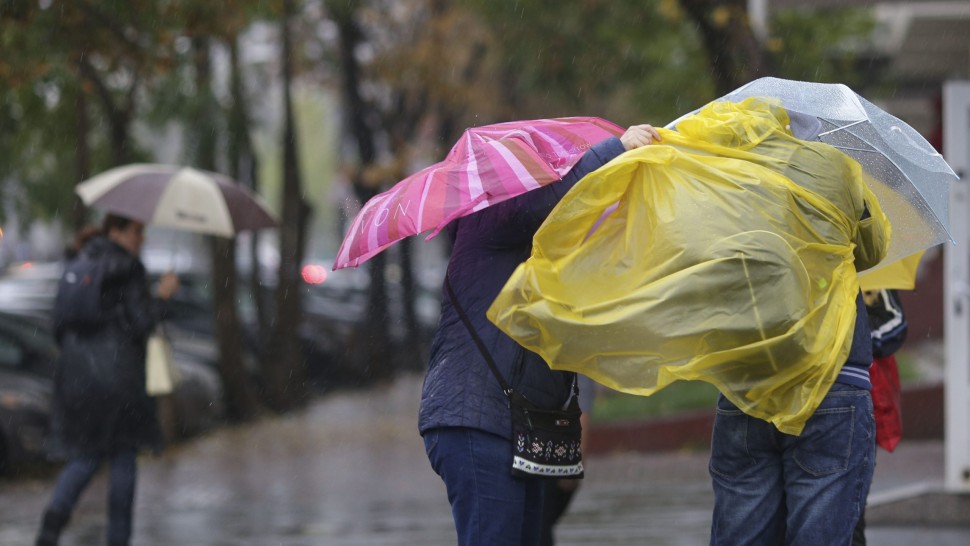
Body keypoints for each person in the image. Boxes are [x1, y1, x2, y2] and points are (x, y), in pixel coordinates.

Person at [419, 124, 660, 546]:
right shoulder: (492, 215)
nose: (547, 174)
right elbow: (554, 199)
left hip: (511, 425)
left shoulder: (525, 239)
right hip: (477, 422)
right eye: (538, 168)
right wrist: (614, 150)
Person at [708, 107, 889, 546]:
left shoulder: (726, 174)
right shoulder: (834, 169)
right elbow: (872, 249)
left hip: (748, 377)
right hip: (831, 379)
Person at [35, 214, 179, 546]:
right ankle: (118, 539)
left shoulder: (76, 262)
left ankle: (50, 527)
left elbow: (58, 324)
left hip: (75, 377)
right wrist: (163, 297)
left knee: (85, 455)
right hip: (119, 377)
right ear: (115, 231)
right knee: (123, 455)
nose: (141, 239)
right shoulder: (128, 267)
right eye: (136, 231)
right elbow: (142, 324)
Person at [852, 288, 908, 545]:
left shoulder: (875, 273)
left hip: (867, 401)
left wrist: (853, 338)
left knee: (854, 503)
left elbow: (897, 325)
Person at [539, 374, 595, 546]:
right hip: (538, 451)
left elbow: (580, 407)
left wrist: (573, 463)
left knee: (538, 528)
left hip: (548, 456)